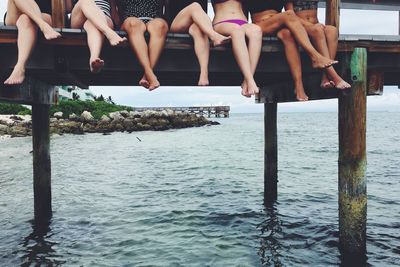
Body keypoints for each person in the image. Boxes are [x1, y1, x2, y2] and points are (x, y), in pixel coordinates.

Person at [246, 0, 339, 101]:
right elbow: (241, 16)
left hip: (279, 24)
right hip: (260, 26)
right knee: (289, 14)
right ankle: (315, 57)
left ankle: (299, 87)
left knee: (287, 34)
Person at [165, 0, 230, 86]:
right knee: (195, 6)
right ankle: (214, 36)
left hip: (197, 23)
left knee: (198, 30)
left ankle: (204, 74)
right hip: (177, 23)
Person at [290, 0, 351, 89]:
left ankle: (325, 77)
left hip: (315, 24)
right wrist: (310, 26)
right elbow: (290, 14)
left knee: (332, 31)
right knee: (317, 30)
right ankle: (335, 77)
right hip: (300, 27)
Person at [212, 0, 262, 98]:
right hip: (223, 22)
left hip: (243, 22)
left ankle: (246, 81)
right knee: (237, 31)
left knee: (257, 30)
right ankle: (251, 80)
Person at [3, 0, 61, 85]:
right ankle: (42, 25)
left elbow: (68, 7)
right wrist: (42, 23)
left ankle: (19, 67)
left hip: (44, 15)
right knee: (25, 16)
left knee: (25, 19)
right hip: (16, 13)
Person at [115, 0, 168, 91]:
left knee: (160, 25)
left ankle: (147, 75)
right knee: (134, 24)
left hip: (153, 19)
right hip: (130, 19)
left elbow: (163, 8)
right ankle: (150, 74)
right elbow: (116, 9)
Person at [67, 0, 127, 73]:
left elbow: (113, 12)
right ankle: (109, 33)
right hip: (80, 16)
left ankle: (94, 58)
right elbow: (68, 8)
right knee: (85, 1)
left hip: (104, 17)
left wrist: (119, 27)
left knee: (94, 23)